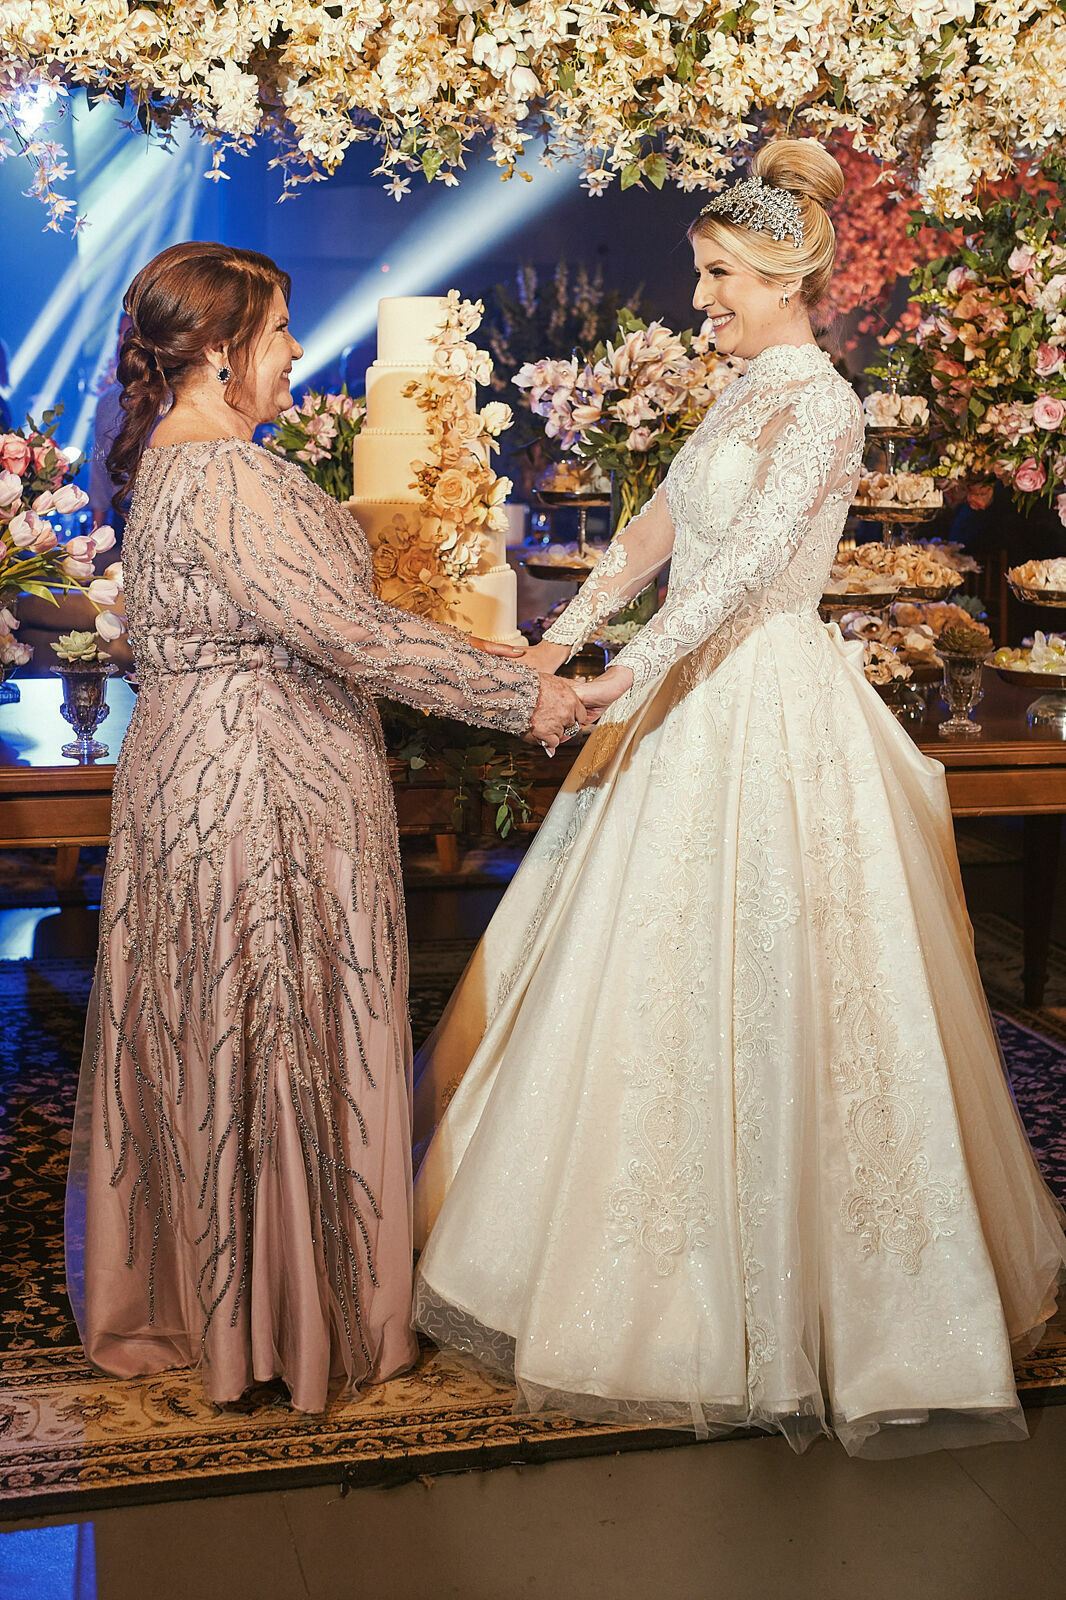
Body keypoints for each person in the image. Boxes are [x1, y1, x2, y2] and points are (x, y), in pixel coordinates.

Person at [411, 139, 1066, 1458]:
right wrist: (567, 636)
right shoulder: (740, 387)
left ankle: (819, 1305)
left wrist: (627, 671)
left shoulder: (819, 401)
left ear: (783, 277)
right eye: (699, 273)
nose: (698, 296)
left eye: (717, 274)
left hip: (762, 701)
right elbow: (658, 529)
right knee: (650, 978)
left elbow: (752, 569)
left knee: (785, 985)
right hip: (689, 699)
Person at [65, 241, 588, 1413]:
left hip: (203, 781)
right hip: (259, 799)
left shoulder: (174, 464)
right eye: (281, 328)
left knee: (219, 1029)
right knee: (269, 1022)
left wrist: (491, 654)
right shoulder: (229, 478)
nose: (298, 348)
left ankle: (228, 1298)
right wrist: (526, 695)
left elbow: (322, 620)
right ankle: (288, 1319)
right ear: (216, 351)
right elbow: (350, 635)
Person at [88, 313, 133, 537]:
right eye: (118, 334)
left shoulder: (172, 398)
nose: (119, 342)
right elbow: (99, 472)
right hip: (121, 521)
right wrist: (94, 541)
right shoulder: (109, 399)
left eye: (127, 334)